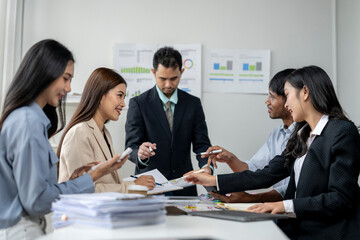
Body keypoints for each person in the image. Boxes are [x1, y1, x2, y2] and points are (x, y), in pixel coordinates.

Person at [186, 66, 360, 239]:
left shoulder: (342, 132)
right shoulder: (301, 134)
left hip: (331, 232)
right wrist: (214, 180)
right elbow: (266, 174)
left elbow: (341, 198)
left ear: (305, 92)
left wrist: (285, 206)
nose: (286, 104)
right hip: (298, 230)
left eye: (288, 95)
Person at [0, 39, 126, 239]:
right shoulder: (28, 121)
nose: (68, 88)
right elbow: (37, 201)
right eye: (65, 79)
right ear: (45, 74)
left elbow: (37, 191)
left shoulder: (29, 119)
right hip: (21, 229)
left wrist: (74, 179)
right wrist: (91, 177)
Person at [125, 46, 212, 196]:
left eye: (174, 78)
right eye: (162, 79)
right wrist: (140, 154)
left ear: (181, 73)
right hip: (150, 186)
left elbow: (202, 144)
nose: (168, 85)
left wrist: (206, 166)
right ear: (153, 73)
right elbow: (131, 146)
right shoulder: (138, 104)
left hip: (185, 185)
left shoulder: (193, 104)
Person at [57, 68, 155, 192]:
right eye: (119, 95)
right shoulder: (79, 132)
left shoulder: (105, 133)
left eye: (124, 97)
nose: (123, 104)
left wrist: (136, 183)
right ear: (100, 95)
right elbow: (83, 189)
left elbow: (108, 182)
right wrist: (133, 185)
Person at [208, 69, 295, 203]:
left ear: (289, 98)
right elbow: (255, 171)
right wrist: (231, 159)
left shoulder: (305, 135)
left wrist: (251, 198)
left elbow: (284, 186)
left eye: (272, 96)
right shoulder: (277, 134)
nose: (267, 101)